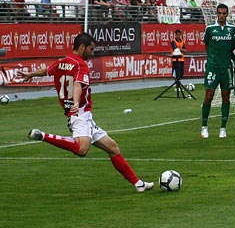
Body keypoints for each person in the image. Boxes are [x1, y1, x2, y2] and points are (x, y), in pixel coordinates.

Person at [17, 33, 154, 192]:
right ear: (82, 47)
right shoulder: (81, 64)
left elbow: (47, 70)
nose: (92, 52)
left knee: (113, 148)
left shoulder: (63, 61)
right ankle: (43, 135)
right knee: (82, 150)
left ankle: (138, 184)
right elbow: (77, 85)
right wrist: (76, 102)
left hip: (83, 116)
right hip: (80, 114)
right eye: (91, 49)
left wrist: (30, 74)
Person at [201, 3, 235, 138]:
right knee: (209, 96)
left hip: (227, 67)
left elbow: (232, 48)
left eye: (224, 13)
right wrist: (212, 59)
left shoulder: (232, 29)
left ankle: (223, 128)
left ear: (227, 14)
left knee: (226, 97)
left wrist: (234, 61)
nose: (222, 15)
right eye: (220, 13)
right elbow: (206, 45)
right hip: (213, 67)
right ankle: (204, 127)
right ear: (216, 14)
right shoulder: (210, 28)